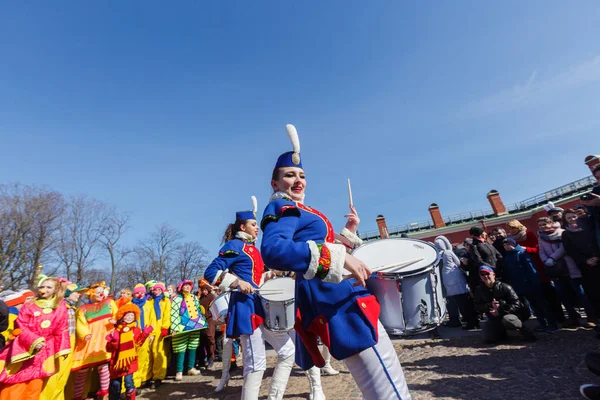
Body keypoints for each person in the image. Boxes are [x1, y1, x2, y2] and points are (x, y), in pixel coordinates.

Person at [260, 124, 412, 400]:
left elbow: (322, 254)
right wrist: (340, 257)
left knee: (383, 385)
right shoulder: (284, 207)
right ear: (275, 183)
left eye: (302, 175)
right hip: (338, 302)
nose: (298, 180)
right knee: (388, 388)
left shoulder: (300, 210)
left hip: (337, 298)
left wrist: (349, 232)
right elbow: (274, 251)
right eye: (289, 175)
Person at [203, 197, 300, 400]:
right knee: (256, 363)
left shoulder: (253, 250)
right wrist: (236, 282)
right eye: (253, 224)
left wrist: (269, 275)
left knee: (288, 351)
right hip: (246, 308)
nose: (257, 228)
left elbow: (253, 279)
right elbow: (210, 272)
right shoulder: (235, 245)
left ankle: (274, 397)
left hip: (260, 305)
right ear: (242, 226)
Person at [0, 276, 71, 400]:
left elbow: (61, 328)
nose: (44, 289)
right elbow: (21, 325)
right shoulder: (30, 305)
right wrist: (33, 340)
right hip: (23, 348)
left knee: (35, 384)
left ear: (55, 290)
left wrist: (62, 349)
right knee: (15, 382)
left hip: (44, 351)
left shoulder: (60, 306)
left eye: (49, 287)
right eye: (42, 286)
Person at [538, 216, 592, 328]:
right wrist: (545, 260)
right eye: (540, 225)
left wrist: (552, 258)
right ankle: (573, 318)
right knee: (563, 295)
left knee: (579, 292)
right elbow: (541, 251)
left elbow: (564, 247)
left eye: (544, 224)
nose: (542, 227)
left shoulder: (561, 232)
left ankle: (591, 317)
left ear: (551, 223)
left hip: (568, 266)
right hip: (555, 270)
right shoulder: (541, 237)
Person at [507, 219, 564, 323]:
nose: (511, 230)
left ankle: (559, 317)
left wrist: (524, 248)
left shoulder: (528, 234)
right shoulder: (510, 239)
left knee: (549, 294)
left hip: (537, 267)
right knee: (538, 298)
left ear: (518, 227)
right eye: (509, 228)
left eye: (512, 227)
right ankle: (546, 320)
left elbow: (536, 249)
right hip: (526, 270)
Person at [40, 281, 87, 400]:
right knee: (53, 377)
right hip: (59, 345)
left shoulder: (71, 308)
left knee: (63, 377)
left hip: (69, 345)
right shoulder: (59, 306)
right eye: (77, 292)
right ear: (68, 293)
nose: (79, 295)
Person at [71, 282, 118, 400]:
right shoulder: (83, 309)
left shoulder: (109, 303)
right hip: (90, 341)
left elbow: (118, 314)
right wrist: (85, 334)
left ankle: (104, 394)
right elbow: (81, 324)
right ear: (91, 294)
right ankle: (78, 396)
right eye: (98, 292)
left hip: (105, 340)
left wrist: (115, 320)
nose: (101, 294)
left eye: (102, 291)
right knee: (83, 370)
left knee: (103, 368)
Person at [502, 238, 558, 332]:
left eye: (508, 244)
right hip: (521, 286)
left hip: (531, 284)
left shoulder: (521, 253)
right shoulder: (507, 257)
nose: (506, 247)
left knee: (542, 305)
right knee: (534, 307)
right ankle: (542, 324)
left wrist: (535, 282)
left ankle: (552, 324)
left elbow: (531, 269)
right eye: (504, 246)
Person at [473, 266, 536, 343]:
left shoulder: (505, 287)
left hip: (511, 314)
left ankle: (525, 331)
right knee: (488, 338)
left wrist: (501, 309)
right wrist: (490, 306)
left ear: (493, 275)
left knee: (508, 319)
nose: (485, 276)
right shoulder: (479, 290)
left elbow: (517, 304)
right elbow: (477, 306)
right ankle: (503, 334)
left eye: (487, 273)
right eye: (482, 274)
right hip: (494, 317)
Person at [106, 303, 154, 400]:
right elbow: (109, 348)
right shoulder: (116, 330)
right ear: (122, 316)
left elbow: (138, 343)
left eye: (132, 315)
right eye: (127, 315)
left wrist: (145, 333)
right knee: (115, 384)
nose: (129, 317)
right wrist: (114, 341)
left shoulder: (136, 330)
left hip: (130, 362)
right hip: (116, 362)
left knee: (129, 383)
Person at [562, 209, 600, 320]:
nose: (572, 219)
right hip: (585, 266)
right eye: (569, 218)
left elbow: (596, 241)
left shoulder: (588, 226)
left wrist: (597, 256)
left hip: (598, 260)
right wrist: (585, 260)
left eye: (574, 216)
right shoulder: (566, 233)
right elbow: (570, 251)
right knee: (594, 293)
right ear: (566, 221)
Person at [434, 236, 477, 329]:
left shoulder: (437, 255)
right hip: (454, 275)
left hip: (445, 278)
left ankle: (457, 320)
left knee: (454, 300)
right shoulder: (448, 252)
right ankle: (468, 320)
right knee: (463, 299)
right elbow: (458, 262)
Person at [170, 279, 207, 381]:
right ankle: (179, 371)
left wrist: (201, 322)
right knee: (180, 348)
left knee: (193, 345)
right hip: (182, 327)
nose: (187, 287)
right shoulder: (177, 299)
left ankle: (191, 367)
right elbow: (174, 313)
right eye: (185, 286)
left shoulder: (195, 298)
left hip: (195, 326)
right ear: (181, 287)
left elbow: (198, 311)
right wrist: (174, 327)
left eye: (188, 286)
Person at [146, 282, 171, 389]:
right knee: (149, 353)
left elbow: (167, 315)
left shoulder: (165, 301)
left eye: (158, 290)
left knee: (158, 352)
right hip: (151, 329)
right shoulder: (150, 301)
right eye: (155, 290)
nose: (156, 292)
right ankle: (147, 376)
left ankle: (158, 377)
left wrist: (165, 327)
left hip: (160, 328)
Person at [131, 283, 156, 388]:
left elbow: (152, 319)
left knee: (144, 357)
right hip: (133, 335)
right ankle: (135, 382)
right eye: (137, 293)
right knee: (134, 359)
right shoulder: (130, 304)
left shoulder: (148, 304)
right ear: (134, 294)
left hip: (145, 335)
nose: (140, 294)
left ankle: (143, 379)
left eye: (141, 292)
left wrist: (152, 334)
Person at [197, 279, 216, 371]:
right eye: (202, 289)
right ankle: (202, 359)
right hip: (201, 321)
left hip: (210, 320)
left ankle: (211, 357)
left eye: (205, 289)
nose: (204, 291)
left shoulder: (211, 297)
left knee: (210, 337)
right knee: (202, 340)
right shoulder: (199, 298)